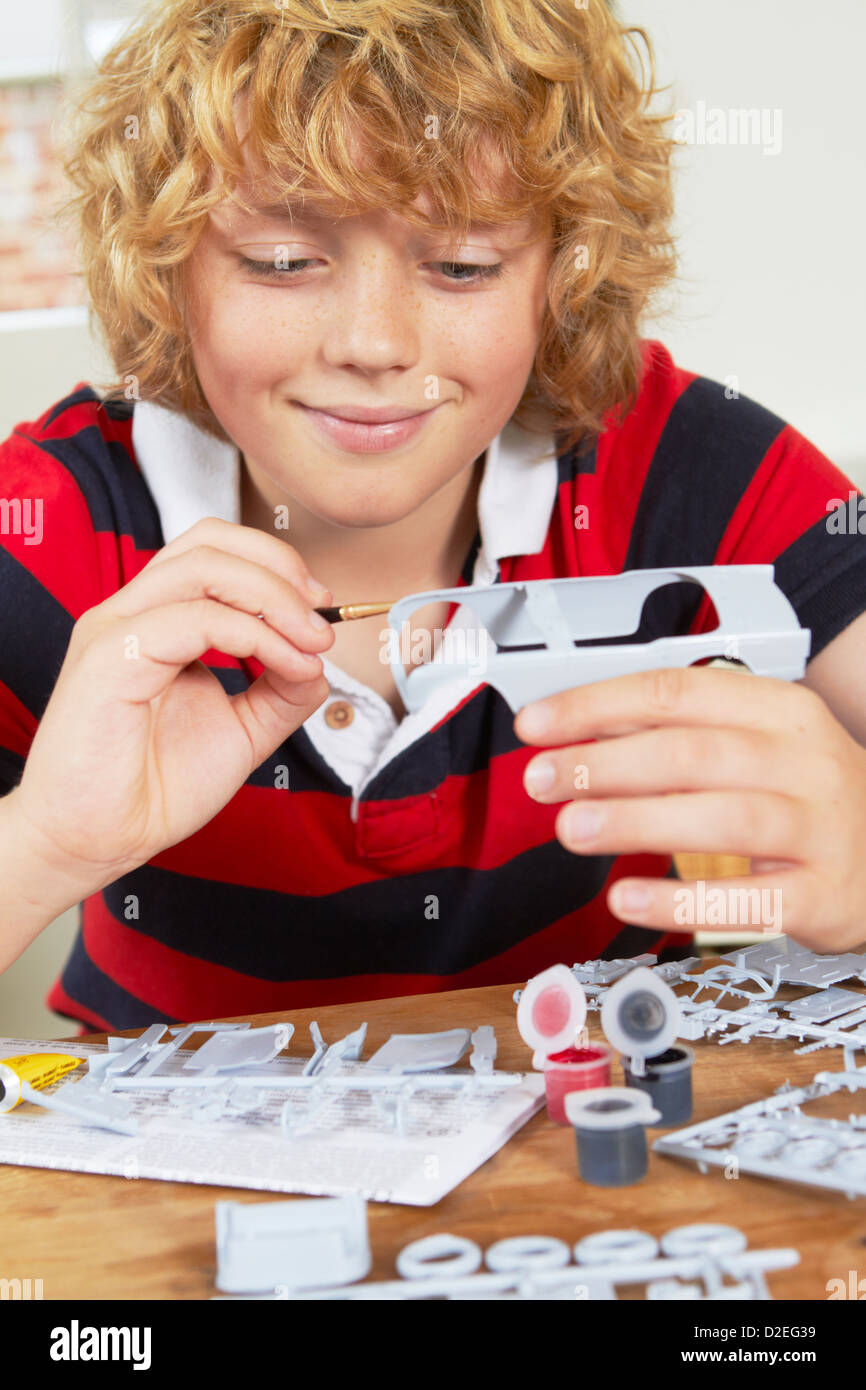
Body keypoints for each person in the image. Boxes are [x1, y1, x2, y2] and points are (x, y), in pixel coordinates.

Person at [1, 0, 865, 1032]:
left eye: (460, 265)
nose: (373, 344)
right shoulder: (44, 526)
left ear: (562, 276)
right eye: (282, 261)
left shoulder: (684, 462)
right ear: (166, 267)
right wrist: (44, 843)